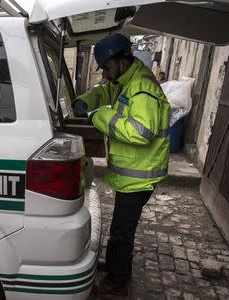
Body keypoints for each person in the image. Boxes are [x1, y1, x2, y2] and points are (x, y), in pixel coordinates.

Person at [73, 33, 171, 295]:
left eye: (107, 67)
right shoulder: (126, 82)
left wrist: (101, 116)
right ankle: (118, 266)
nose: (105, 74)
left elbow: (142, 132)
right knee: (121, 228)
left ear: (123, 60)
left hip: (140, 177)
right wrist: (86, 101)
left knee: (121, 232)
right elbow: (106, 92)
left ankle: (117, 281)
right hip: (133, 174)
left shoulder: (142, 88)